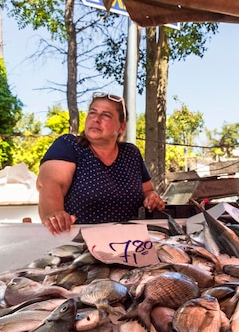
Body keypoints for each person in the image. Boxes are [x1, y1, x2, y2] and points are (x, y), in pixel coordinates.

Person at [37, 92, 166, 235]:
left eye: (106, 115)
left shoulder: (131, 153)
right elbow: (51, 183)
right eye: (92, 113)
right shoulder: (69, 145)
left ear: (121, 127)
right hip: (78, 243)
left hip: (128, 243)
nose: (96, 119)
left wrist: (151, 198)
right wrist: (56, 214)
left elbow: (147, 190)